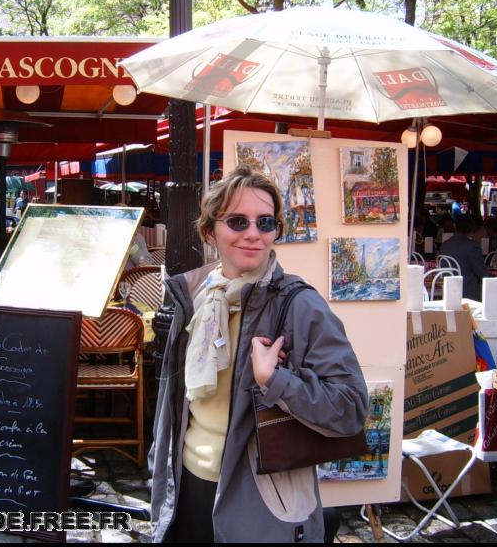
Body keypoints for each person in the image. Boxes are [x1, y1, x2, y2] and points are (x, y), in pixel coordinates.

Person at [150, 164, 368, 543]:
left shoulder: (300, 306)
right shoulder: (196, 298)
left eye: (265, 223)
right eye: (237, 221)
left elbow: (351, 409)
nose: (253, 234)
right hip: (188, 485)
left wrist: (276, 381)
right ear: (209, 231)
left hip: (263, 499)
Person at [439, 215, 490, 301]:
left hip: (448, 289)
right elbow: (482, 272)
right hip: (468, 291)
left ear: (454, 226)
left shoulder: (444, 245)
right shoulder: (472, 246)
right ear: (471, 228)